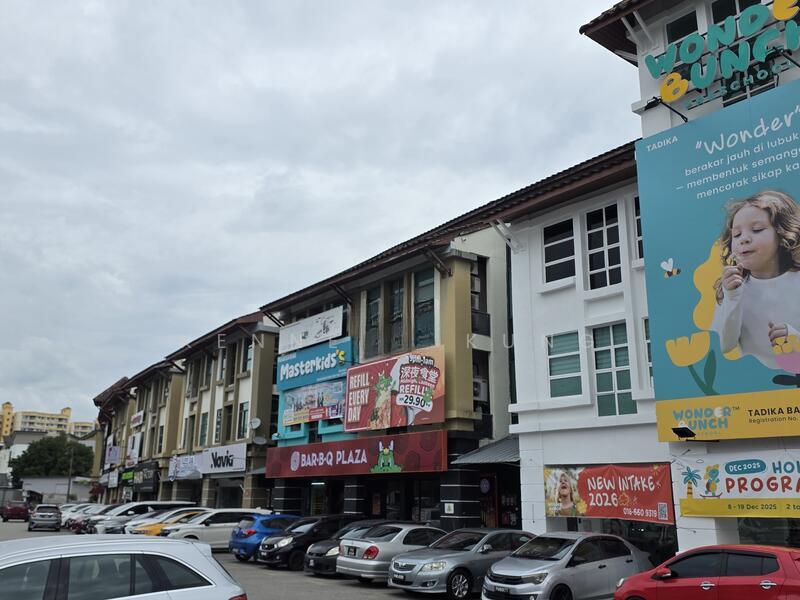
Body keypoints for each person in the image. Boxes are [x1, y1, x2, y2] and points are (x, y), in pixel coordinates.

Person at [711, 190, 800, 369]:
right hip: (754, 383)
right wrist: (732, 297)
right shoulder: (730, 289)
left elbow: (792, 363)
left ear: (783, 234)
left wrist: (795, 342)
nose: (743, 239)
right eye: (737, 234)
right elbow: (726, 346)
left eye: (757, 229)